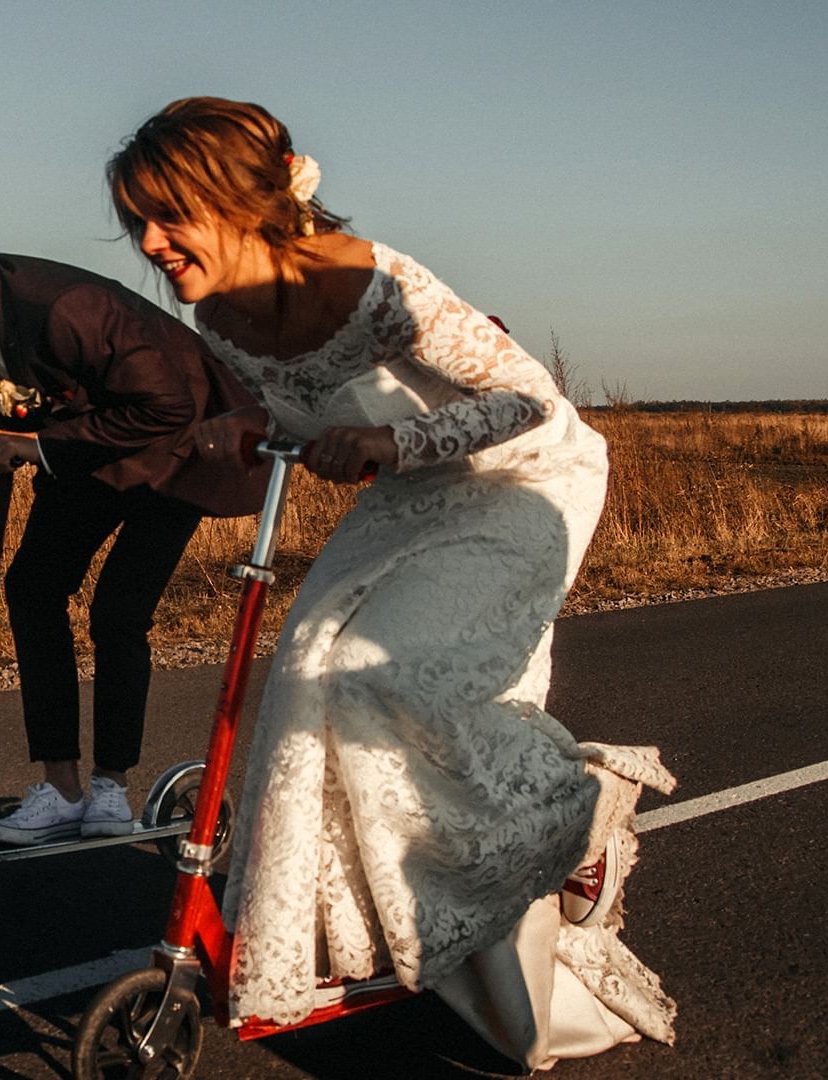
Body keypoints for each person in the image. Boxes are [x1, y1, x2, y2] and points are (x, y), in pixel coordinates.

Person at [106, 98, 676, 1071]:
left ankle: (575, 823)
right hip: (413, 497)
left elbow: (528, 402)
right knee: (299, 678)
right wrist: (238, 438)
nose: (150, 243)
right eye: (138, 222)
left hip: (524, 482)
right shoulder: (214, 318)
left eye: (170, 215)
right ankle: (329, 930)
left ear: (241, 201)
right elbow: (284, 417)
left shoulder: (370, 280)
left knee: (381, 680)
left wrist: (385, 442)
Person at [0, 192, 264, 846]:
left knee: (117, 611)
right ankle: (61, 789)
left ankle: (110, 790)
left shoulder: (64, 308)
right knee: (34, 589)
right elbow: (4, 393)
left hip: (181, 449)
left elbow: (165, 404)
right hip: (89, 454)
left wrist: (38, 448)